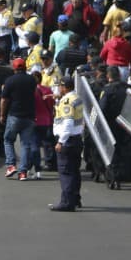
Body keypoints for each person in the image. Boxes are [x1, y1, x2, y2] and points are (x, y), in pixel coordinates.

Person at [49, 76, 84, 211]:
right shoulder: (77, 98)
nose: (59, 88)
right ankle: (75, 199)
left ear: (64, 87)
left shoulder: (67, 102)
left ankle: (67, 203)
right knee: (74, 171)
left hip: (67, 140)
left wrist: (61, 141)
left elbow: (68, 123)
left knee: (66, 172)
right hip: (76, 138)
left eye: (60, 86)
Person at [0, 54, 37, 181]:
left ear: (14, 68)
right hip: (29, 117)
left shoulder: (10, 81)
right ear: (25, 67)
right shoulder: (31, 80)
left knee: (8, 140)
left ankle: (11, 165)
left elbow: (4, 100)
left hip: (14, 115)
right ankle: (23, 172)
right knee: (25, 144)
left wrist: (2, 115)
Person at [99, 66, 131, 189]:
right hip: (126, 123)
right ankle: (123, 175)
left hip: (111, 124)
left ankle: (113, 178)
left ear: (108, 76)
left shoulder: (107, 90)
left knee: (112, 151)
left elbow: (102, 108)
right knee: (124, 150)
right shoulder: (129, 88)